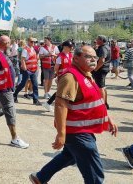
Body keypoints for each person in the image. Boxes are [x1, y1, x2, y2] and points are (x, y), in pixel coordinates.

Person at [29, 45, 118, 184]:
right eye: (88, 57)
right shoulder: (70, 77)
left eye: (95, 57)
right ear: (76, 58)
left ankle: (40, 177)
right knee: (94, 174)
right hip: (77, 132)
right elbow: (60, 105)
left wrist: (107, 118)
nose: (93, 60)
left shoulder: (86, 74)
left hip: (82, 129)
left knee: (69, 155)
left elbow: (96, 100)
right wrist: (61, 134)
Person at [43, 40, 74, 112]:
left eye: (71, 47)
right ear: (65, 47)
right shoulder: (60, 56)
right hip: (62, 77)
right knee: (60, 91)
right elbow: (56, 68)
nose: (71, 48)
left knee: (63, 91)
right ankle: (48, 103)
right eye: (70, 47)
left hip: (69, 76)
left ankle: (48, 103)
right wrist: (57, 76)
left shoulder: (70, 55)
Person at [13, 37, 41, 105]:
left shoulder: (33, 49)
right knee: (23, 84)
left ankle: (35, 99)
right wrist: (24, 68)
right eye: (31, 42)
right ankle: (15, 94)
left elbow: (35, 59)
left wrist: (37, 66)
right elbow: (23, 59)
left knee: (35, 84)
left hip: (34, 70)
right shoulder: (25, 49)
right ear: (28, 41)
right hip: (27, 70)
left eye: (34, 42)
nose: (33, 43)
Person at [91, 35, 111, 109]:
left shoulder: (103, 48)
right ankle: (105, 103)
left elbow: (102, 60)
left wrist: (96, 69)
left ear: (101, 40)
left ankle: (102, 105)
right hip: (103, 69)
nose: (96, 40)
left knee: (100, 87)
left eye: (97, 39)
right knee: (103, 86)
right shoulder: (106, 47)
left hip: (101, 69)